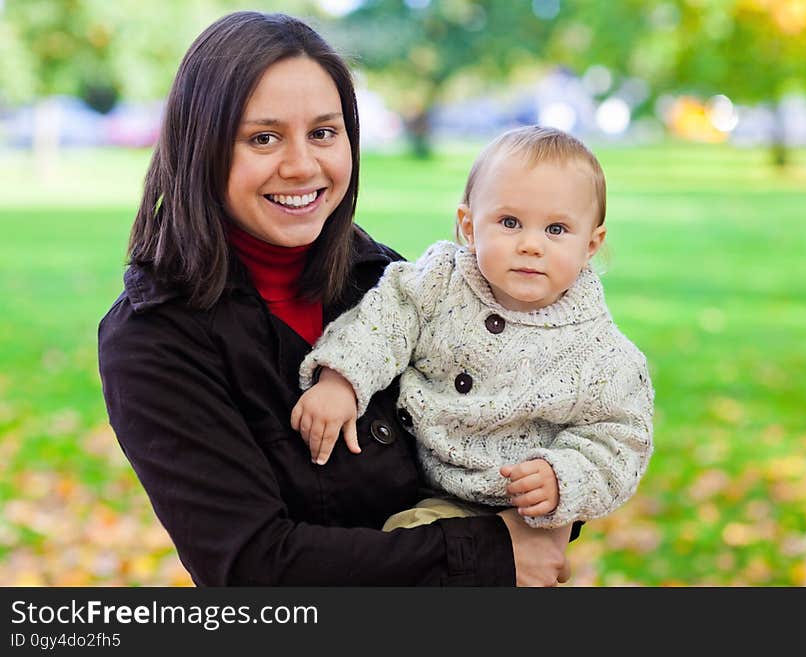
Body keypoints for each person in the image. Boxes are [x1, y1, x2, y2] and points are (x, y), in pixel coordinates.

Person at [97, 11, 572, 586]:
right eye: (263, 138)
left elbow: (520, 435)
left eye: (323, 133)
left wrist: (557, 487)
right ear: (202, 148)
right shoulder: (154, 338)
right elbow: (253, 569)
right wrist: (493, 552)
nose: (302, 166)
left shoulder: (391, 283)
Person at [292, 126, 654, 535]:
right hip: (412, 469)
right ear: (468, 225)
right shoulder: (440, 281)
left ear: (591, 244)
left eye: (556, 230)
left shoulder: (601, 355)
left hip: (508, 508)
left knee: (407, 543)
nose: (531, 245)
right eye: (510, 222)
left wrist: (563, 477)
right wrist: (342, 378)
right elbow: (384, 321)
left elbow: (619, 439)